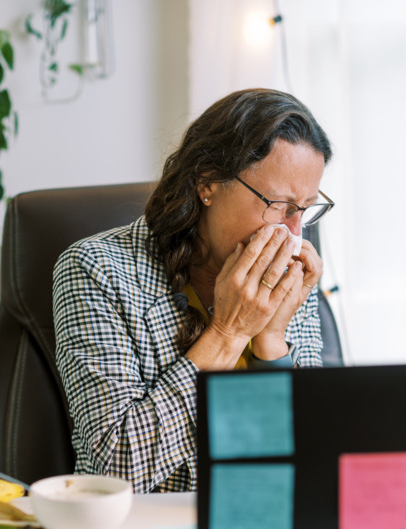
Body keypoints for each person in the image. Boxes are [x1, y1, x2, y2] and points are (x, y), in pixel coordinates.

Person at [53, 88, 334, 493]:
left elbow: (307, 460)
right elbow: (114, 471)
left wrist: (270, 340)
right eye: (279, 204)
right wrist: (229, 333)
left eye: (305, 208)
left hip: (257, 517)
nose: (293, 232)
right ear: (208, 182)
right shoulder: (95, 270)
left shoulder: (289, 277)